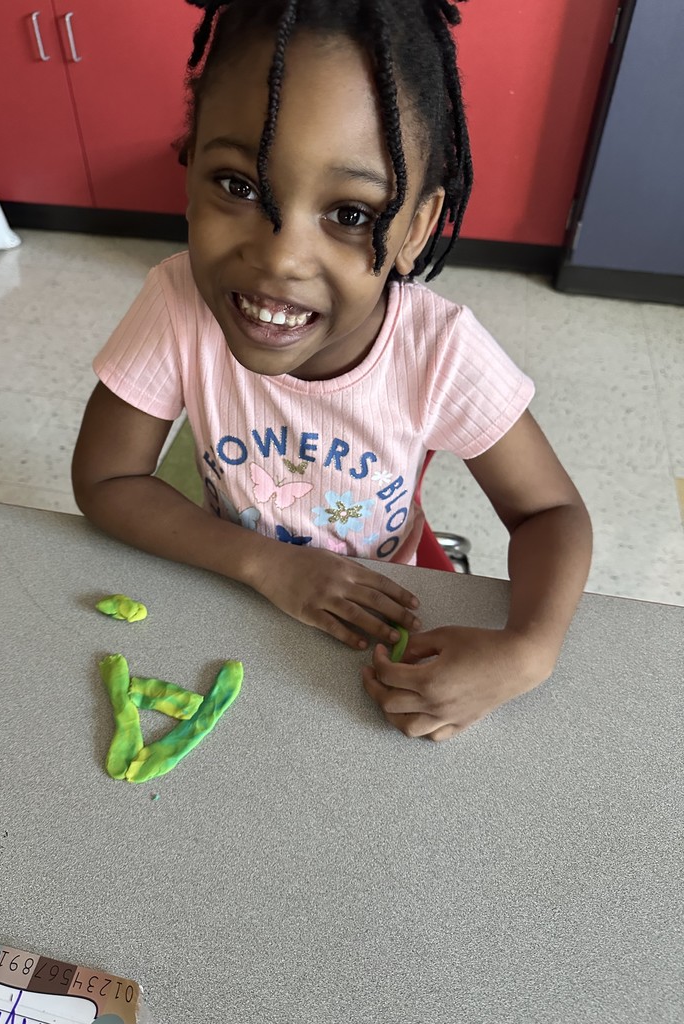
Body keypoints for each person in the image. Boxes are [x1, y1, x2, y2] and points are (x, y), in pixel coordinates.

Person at [72, 0, 592, 743]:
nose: (279, 259)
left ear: (414, 229)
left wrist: (529, 651)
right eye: (240, 187)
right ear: (189, 166)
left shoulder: (438, 349)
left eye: (350, 214)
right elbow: (107, 480)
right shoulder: (178, 301)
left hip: (392, 601)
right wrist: (266, 567)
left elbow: (552, 514)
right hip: (232, 584)